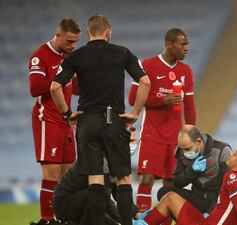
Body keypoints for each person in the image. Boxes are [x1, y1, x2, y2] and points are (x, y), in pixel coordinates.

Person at [50, 14, 151, 225]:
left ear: (88, 33)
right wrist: (135, 112)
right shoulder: (122, 53)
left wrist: (67, 113)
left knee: (94, 178)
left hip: (88, 122)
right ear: (108, 32)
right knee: (123, 178)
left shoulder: (76, 56)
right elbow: (145, 81)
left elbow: (55, 86)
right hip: (113, 120)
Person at [128, 28, 196, 212]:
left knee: (171, 183)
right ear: (169, 44)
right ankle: (142, 221)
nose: (186, 48)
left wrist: (192, 136)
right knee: (147, 178)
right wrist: (161, 100)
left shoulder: (186, 71)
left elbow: (189, 107)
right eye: (182, 44)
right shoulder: (146, 66)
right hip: (152, 132)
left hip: (175, 137)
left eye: (187, 44)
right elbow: (133, 99)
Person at [29, 18, 81, 225]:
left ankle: (65, 218)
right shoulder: (40, 56)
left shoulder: (69, 57)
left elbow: (75, 88)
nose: (73, 46)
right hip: (46, 120)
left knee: (67, 175)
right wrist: (59, 81)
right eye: (69, 41)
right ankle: (47, 219)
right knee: (51, 174)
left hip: (66, 121)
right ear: (58, 36)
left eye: (76, 42)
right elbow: (34, 88)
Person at [136, 146, 237, 225]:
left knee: (169, 198)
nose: (231, 155)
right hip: (205, 222)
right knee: (170, 197)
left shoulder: (233, 177)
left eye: (236, 154)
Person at [156, 125, 231, 224]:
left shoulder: (222, 150)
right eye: (182, 149)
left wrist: (211, 212)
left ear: (198, 142)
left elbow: (227, 187)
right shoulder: (181, 152)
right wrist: (191, 171)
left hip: (215, 201)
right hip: (197, 198)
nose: (184, 152)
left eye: (187, 149)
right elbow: (177, 182)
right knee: (163, 192)